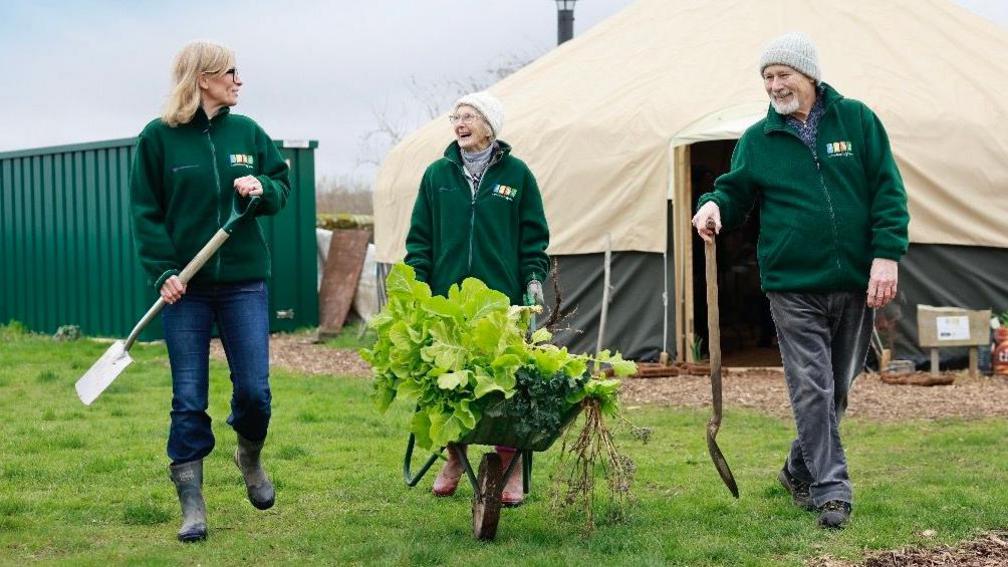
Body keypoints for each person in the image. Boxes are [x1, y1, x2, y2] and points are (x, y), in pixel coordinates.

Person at [692, 32, 909, 529]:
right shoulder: (757, 139)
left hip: (856, 278)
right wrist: (712, 205)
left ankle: (796, 468)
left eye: (782, 74)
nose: (773, 85)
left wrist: (886, 256)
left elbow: (888, 191)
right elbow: (735, 191)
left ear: (808, 74)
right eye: (766, 77)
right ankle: (831, 490)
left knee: (839, 389)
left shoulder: (856, 120)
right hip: (791, 283)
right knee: (812, 387)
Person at [129, 41, 290, 542]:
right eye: (231, 72)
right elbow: (146, 213)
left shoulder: (248, 132)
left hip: (243, 282)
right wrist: (164, 272)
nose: (239, 80)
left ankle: (250, 456)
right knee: (189, 397)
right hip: (187, 289)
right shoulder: (158, 139)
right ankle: (192, 505)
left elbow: (281, 185)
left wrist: (261, 187)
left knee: (255, 393)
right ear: (203, 78)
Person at [404, 91, 550, 507]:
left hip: (501, 300)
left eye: (468, 116)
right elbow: (420, 239)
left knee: (507, 387)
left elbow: (533, 237)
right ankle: (453, 457)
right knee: (446, 385)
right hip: (447, 300)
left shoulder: (517, 175)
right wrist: (417, 287)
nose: (460, 123)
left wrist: (533, 279)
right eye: (456, 116)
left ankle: (511, 466)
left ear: (489, 125)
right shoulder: (437, 175)